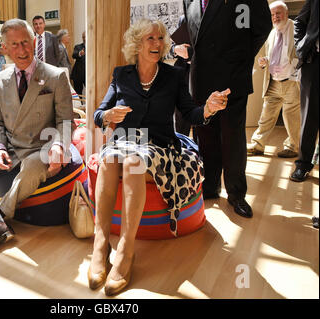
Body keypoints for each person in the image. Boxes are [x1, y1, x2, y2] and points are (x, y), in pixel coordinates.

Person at [89, 19, 229, 296]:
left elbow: (190, 113)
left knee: (133, 162)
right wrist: (106, 116)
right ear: (137, 44)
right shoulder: (121, 75)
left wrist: (209, 108)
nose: (157, 43)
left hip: (159, 145)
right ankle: (101, 242)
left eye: (160, 38)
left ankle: (126, 251)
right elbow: (99, 113)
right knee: (109, 159)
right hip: (125, 140)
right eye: (150, 38)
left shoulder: (173, 76)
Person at [0, 19, 73, 253]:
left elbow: (65, 121)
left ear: (34, 41)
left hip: (40, 150)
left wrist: (59, 145)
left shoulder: (56, 76)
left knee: (31, 167)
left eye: (25, 42)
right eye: (15, 45)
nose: (22, 50)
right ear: (5, 48)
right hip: (9, 149)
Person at [182, 0, 272, 218]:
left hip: (232, 76)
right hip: (201, 77)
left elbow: (262, 26)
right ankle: (210, 187)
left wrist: (241, 57)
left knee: (233, 136)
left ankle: (236, 194)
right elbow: (192, 33)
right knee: (205, 135)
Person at [248, 1, 301, 158]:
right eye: (272, 15)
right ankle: (258, 145)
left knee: (292, 117)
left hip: (292, 82)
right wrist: (265, 62)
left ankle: (292, 146)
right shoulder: (271, 33)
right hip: (273, 81)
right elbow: (273, 56)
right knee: (266, 115)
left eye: (278, 13)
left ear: (286, 13)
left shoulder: (296, 28)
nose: (275, 17)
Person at [290, 0, 319, 182]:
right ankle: (303, 164)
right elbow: (299, 22)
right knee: (309, 116)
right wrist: (301, 46)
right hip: (314, 62)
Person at [170, 15, 193, 136]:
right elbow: (171, 46)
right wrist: (175, 49)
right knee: (180, 121)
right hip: (182, 74)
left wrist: (191, 54)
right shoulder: (184, 19)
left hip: (202, 74)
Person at [71, 31, 85, 95]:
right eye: (83, 37)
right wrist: (80, 53)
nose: (84, 38)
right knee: (78, 93)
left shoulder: (93, 46)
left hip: (89, 75)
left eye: (85, 37)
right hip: (78, 75)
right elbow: (74, 55)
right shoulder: (78, 47)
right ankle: (80, 105)